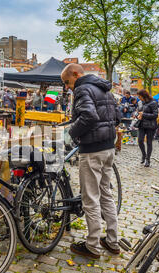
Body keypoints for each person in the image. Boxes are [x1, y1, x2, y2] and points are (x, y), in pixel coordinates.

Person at [61, 64, 121, 260]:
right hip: (108, 148)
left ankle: (92, 245)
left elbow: (89, 116)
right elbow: (117, 118)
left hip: (92, 150)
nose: (67, 87)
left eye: (67, 82)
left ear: (76, 75)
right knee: (106, 194)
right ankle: (112, 241)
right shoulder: (104, 89)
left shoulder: (82, 89)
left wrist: (71, 132)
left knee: (91, 198)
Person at [136, 90, 159, 168]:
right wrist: (137, 115)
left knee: (149, 143)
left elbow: (155, 115)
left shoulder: (153, 102)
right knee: (140, 140)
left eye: (139, 96)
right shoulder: (140, 102)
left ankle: (148, 159)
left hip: (150, 125)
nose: (139, 98)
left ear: (143, 96)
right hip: (141, 124)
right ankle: (144, 154)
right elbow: (138, 111)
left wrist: (144, 114)